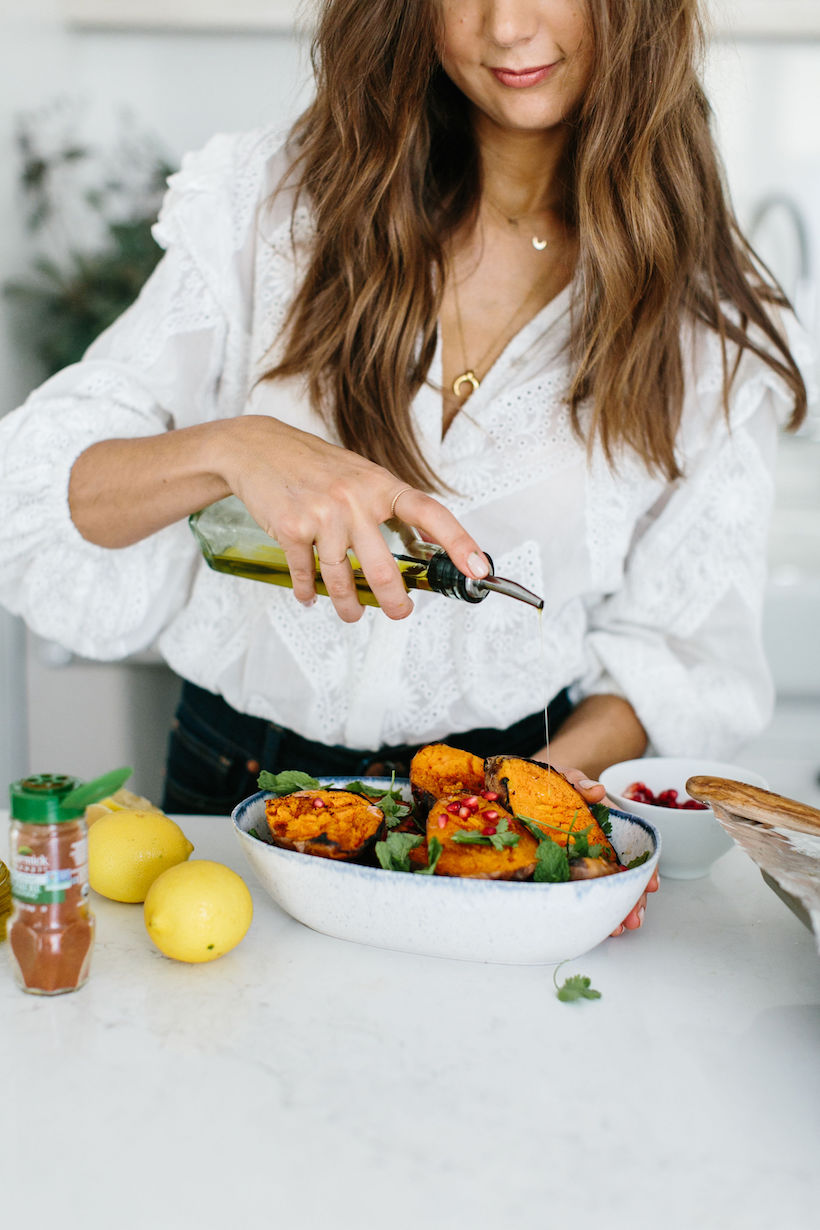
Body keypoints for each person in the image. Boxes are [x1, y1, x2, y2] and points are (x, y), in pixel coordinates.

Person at [0, 2, 812, 929]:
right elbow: (38, 498)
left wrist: (546, 810)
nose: (508, 29)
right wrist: (236, 447)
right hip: (231, 789)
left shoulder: (702, 326)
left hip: (500, 810)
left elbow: (678, 651)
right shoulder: (265, 205)